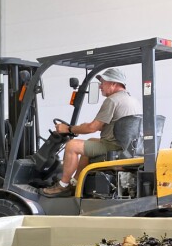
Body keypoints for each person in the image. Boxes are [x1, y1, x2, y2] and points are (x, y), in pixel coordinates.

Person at [41, 67, 141, 197]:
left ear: (114, 83)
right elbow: (102, 126)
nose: (100, 86)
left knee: (72, 145)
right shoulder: (132, 100)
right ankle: (75, 182)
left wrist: (68, 129)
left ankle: (63, 185)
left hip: (113, 147)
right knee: (90, 142)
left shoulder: (112, 100)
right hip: (127, 148)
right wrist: (82, 126)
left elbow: (92, 127)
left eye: (103, 82)